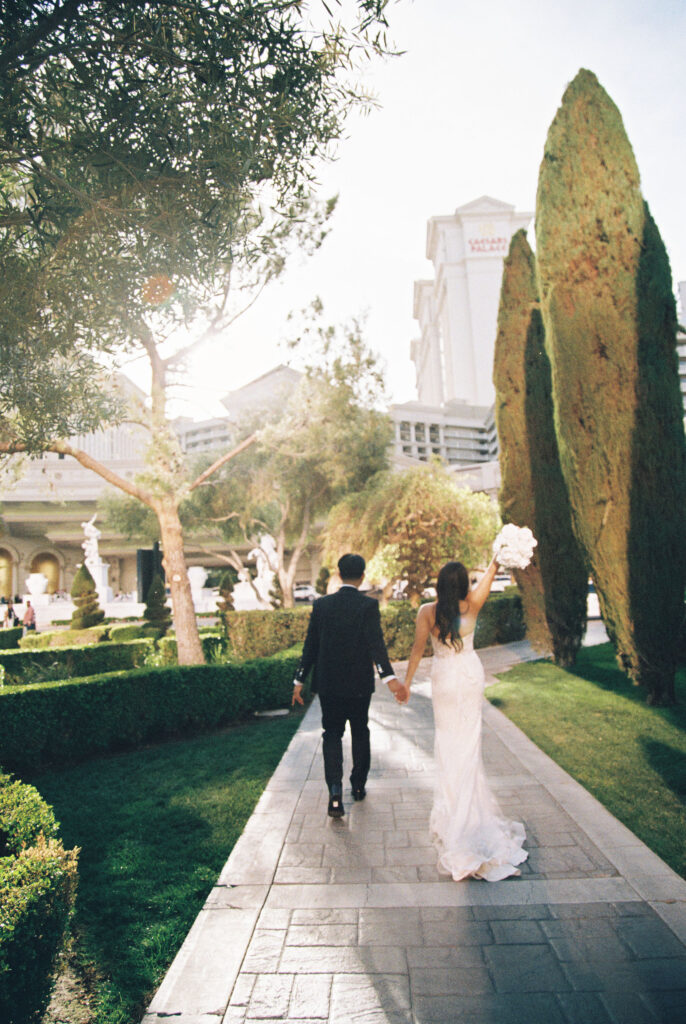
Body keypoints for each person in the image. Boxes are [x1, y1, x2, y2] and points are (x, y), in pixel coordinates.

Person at [402, 555, 528, 881]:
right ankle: (468, 815)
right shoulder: (471, 605)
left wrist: (405, 684)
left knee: (448, 742)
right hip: (469, 675)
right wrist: (498, 556)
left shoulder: (427, 612)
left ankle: (454, 812)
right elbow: (491, 572)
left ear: (440, 584)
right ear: (463, 584)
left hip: (444, 679)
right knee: (469, 744)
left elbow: (417, 651)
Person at [292, 553, 406, 818]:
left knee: (331, 734)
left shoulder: (321, 606)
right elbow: (376, 646)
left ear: (338, 575)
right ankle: (357, 786)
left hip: (328, 685)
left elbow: (310, 647)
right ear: (363, 576)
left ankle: (334, 791)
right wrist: (389, 679)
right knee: (360, 731)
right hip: (358, 686)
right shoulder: (368, 606)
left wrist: (299, 679)